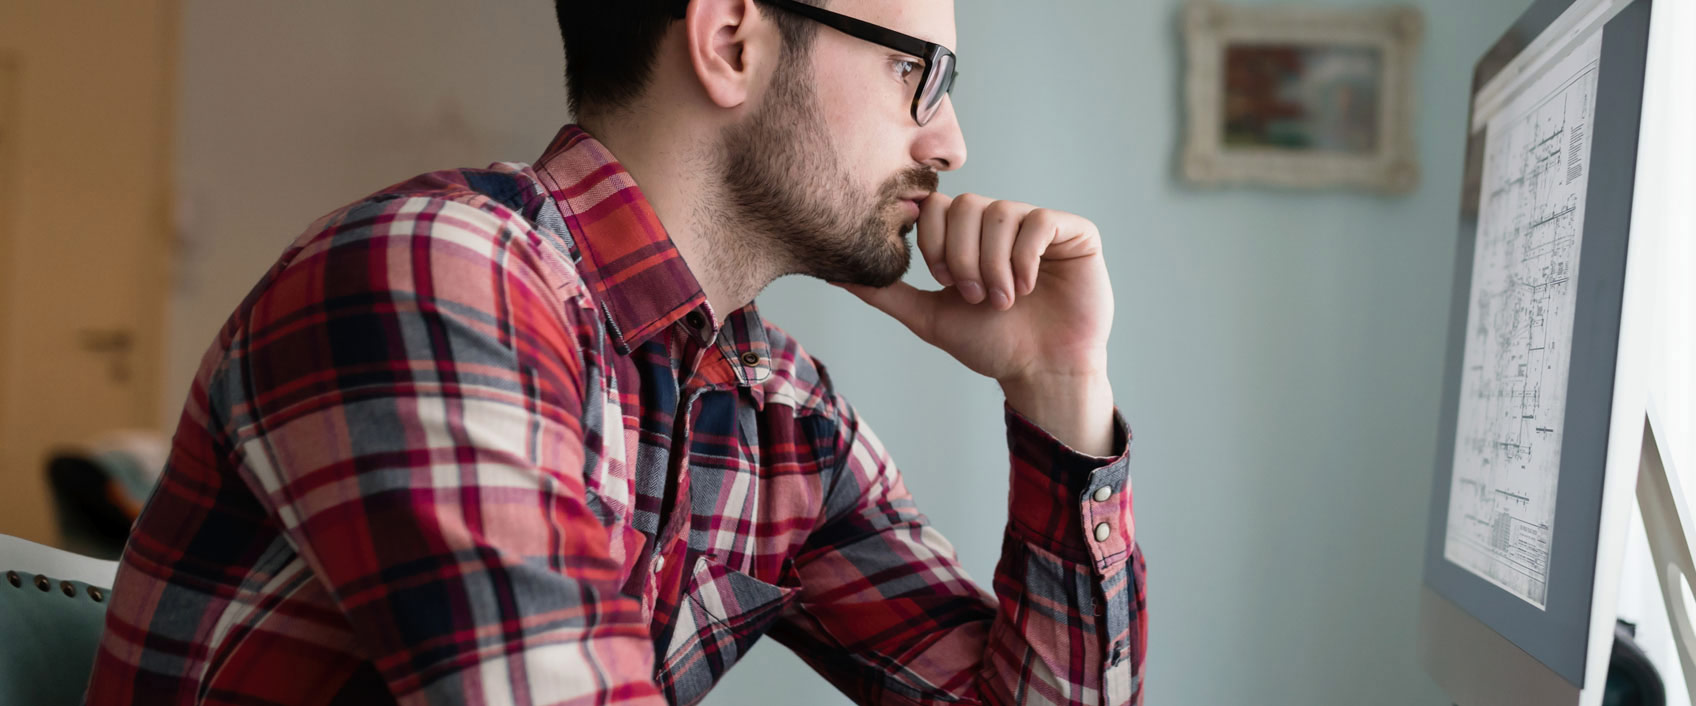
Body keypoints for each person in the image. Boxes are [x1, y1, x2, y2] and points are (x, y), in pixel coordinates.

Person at [85, 1, 1142, 703]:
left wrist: (1060, 384)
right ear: (731, 39)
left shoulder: (781, 415)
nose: (950, 141)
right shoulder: (441, 275)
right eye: (920, 70)